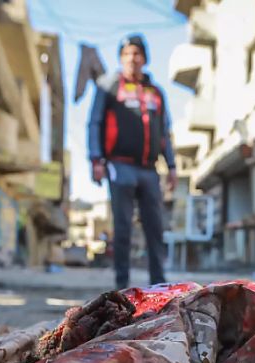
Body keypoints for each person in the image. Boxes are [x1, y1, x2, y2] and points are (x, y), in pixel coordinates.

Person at [88, 34, 177, 289]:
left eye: (136, 53)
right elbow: (95, 123)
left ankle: (159, 286)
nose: (132, 58)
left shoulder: (156, 93)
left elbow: (164, 132)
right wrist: (96, 159)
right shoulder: (109, 86)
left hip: (149, 170)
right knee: (123, 228)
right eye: (126, 53)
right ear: (121, 58)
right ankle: (122, 287)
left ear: (145, 59)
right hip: (119, 166)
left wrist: (170, 165)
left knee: (155, 229)